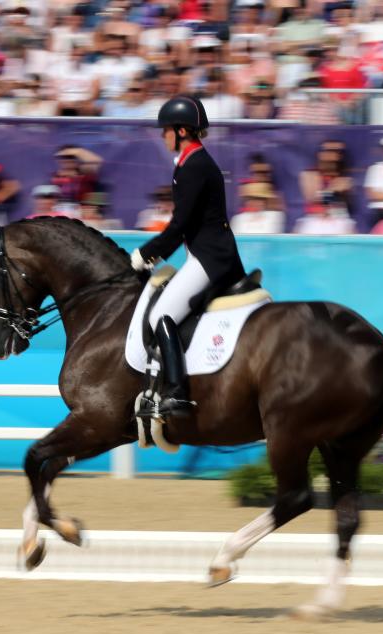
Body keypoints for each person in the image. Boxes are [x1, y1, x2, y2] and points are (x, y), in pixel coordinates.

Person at [130, 95, 246, 418]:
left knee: (159, 316)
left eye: (166, 130)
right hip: (211, 255)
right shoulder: (190, 163)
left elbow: (180, 225)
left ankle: (178, 392)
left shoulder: (195, 166)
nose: (163, 135)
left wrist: (146, 254)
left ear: (182, 131)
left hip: (210, 259)